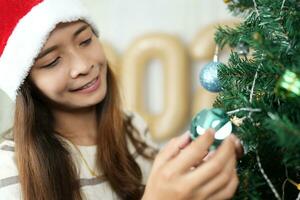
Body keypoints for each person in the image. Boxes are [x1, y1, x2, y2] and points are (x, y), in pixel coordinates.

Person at [0, 0, 242, 199]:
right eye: (52, 62)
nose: (84, 65)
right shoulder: (9, 168)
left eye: (85, 41)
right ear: (26, 85)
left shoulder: (133, 128)